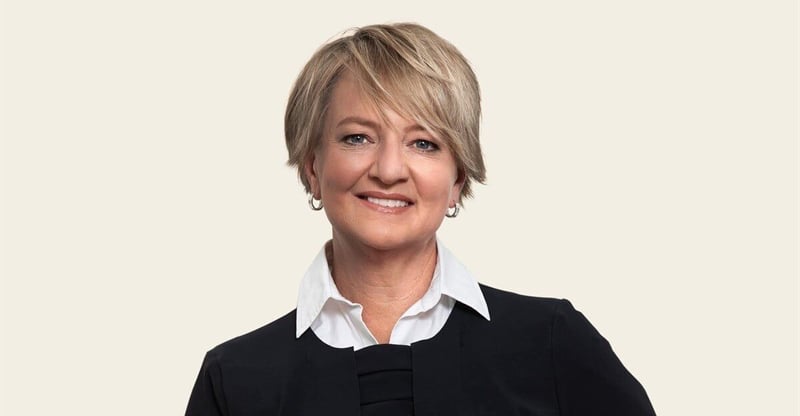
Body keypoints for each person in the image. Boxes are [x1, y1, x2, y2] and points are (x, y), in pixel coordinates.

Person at [186, 22, 656, 415]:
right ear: (313, 167)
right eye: (357, 137)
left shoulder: (552, 346)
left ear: (457, 179)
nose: (389, 170)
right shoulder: (234, 381)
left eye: (424, 143)